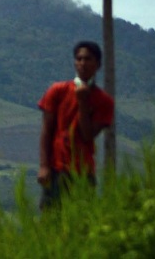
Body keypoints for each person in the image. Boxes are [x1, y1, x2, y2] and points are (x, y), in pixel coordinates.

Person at [37, 40, 115, 209]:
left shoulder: (104, 101)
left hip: (83, 172)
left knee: (81, 223)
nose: (82, 63)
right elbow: (47, 130)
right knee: (51, 221)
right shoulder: (57, 90)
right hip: (56, 168)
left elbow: (87, 135)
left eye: (88, 59)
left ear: (98, 64)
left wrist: (83, 102)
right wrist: (44, 166)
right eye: (79, 59)